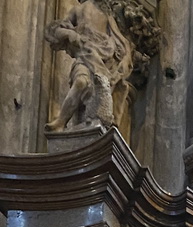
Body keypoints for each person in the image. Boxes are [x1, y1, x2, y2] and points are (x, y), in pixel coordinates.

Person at [45, 0, 134, 132]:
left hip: (104, 59)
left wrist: (124, 59)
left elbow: (120, 39)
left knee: (100, 95)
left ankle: (96, 125)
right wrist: (70, 34)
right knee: (81, 82)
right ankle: (61, 121)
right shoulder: (78, 10)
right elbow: (57, 30)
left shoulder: (107, 14)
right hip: (85, 53)